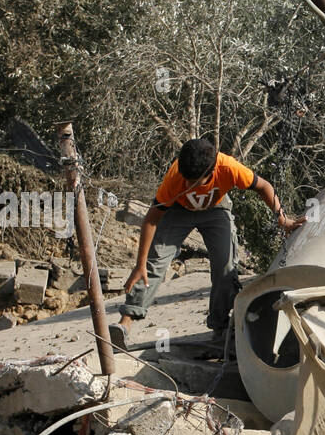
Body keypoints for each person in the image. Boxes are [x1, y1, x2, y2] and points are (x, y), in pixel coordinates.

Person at [109, 138, 305, 350]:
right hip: (178, 212)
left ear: (211, 173)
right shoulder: (175, 177)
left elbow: (264, 187)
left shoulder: (228, 167)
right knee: (153, 264)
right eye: (186, 180)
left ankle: (220, 329)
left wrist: (283, 219)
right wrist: (140, 264)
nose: (187, 185)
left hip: (216, 210)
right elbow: (152, 219)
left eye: (195, 182)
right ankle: (125, 324)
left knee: (225, 267)